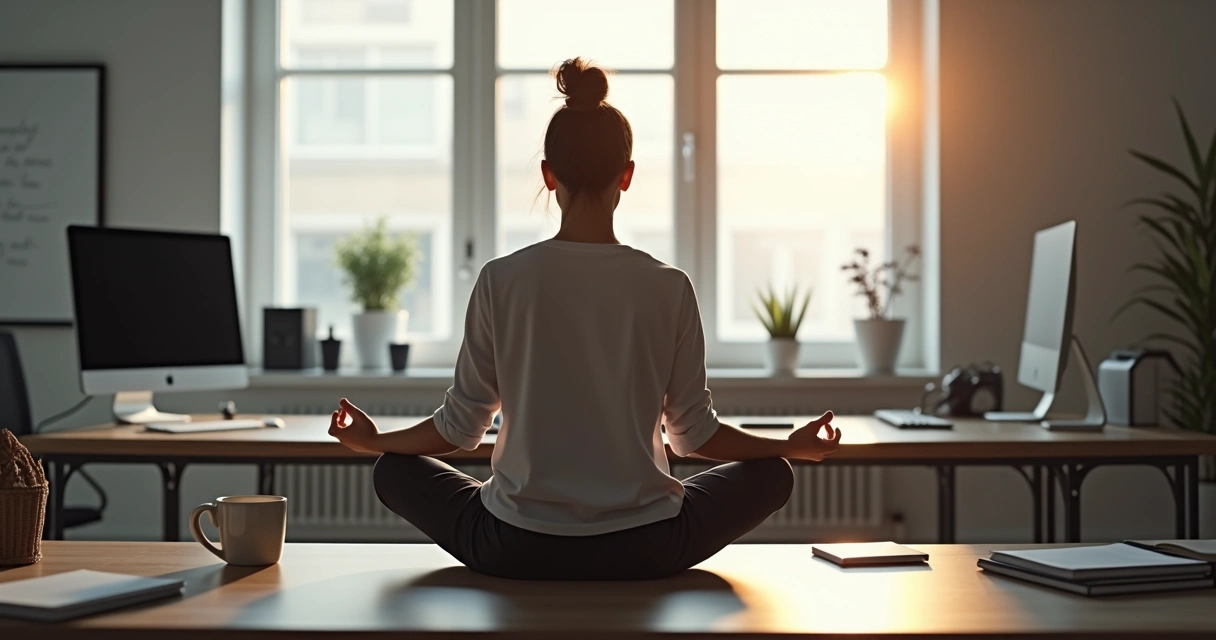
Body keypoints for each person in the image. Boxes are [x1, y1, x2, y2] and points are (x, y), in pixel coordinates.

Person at [328, 58, 842, 581]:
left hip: (514, 545)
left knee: (393, 470)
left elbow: (460, 430)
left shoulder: (501, 280)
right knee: (772, 476)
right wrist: (787, 447)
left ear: (549, 176)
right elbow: (695, 436)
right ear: (628, 174)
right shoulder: (669, 286)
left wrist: (375, 442)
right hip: (649, 546)